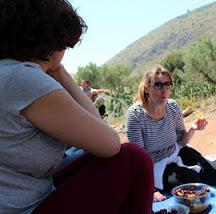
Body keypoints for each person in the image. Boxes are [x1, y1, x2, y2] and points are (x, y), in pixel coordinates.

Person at [0, 1, 154, 213]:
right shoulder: (24, 78)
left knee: (93, 158)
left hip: (28, 194)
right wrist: (60, 72)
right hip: (23, 208)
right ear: (56, 40)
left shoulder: (6, 72)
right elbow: (110, 144)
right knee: (134, 159)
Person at [125, 64, 216, 202]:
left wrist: (193, 128)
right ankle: (196, 169)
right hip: (155, 165)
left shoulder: (173, 107)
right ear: (146, 88)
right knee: (190, 182)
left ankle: (213, 161)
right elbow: (138, 159)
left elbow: (182, 141)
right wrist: (151, 190)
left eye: (167, 84)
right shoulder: (135, 115)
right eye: (158, 85)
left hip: (177, 153)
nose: (164, 90)